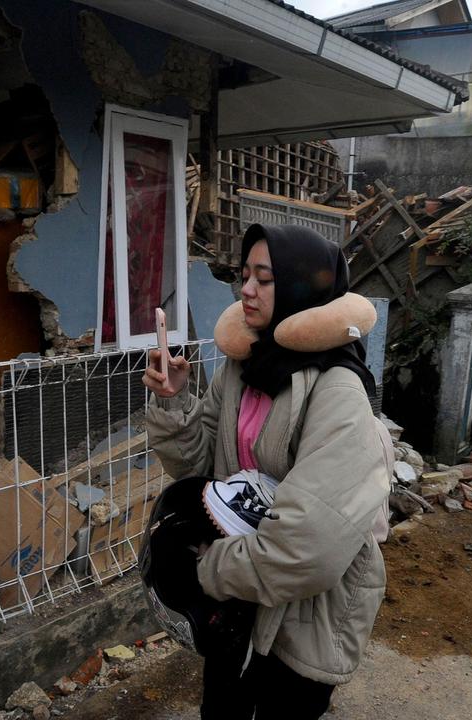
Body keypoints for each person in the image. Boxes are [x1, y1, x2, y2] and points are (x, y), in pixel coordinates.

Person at [142, 223, 392, 719]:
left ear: (304, 285)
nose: (247, 291)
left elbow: (309, 549)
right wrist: (174, 402)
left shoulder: (337, 391)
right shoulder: (244, 366)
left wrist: (205, 567)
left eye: (265, 278)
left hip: (304, 616)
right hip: (238, 605)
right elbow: (197, 466)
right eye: (244, 276)